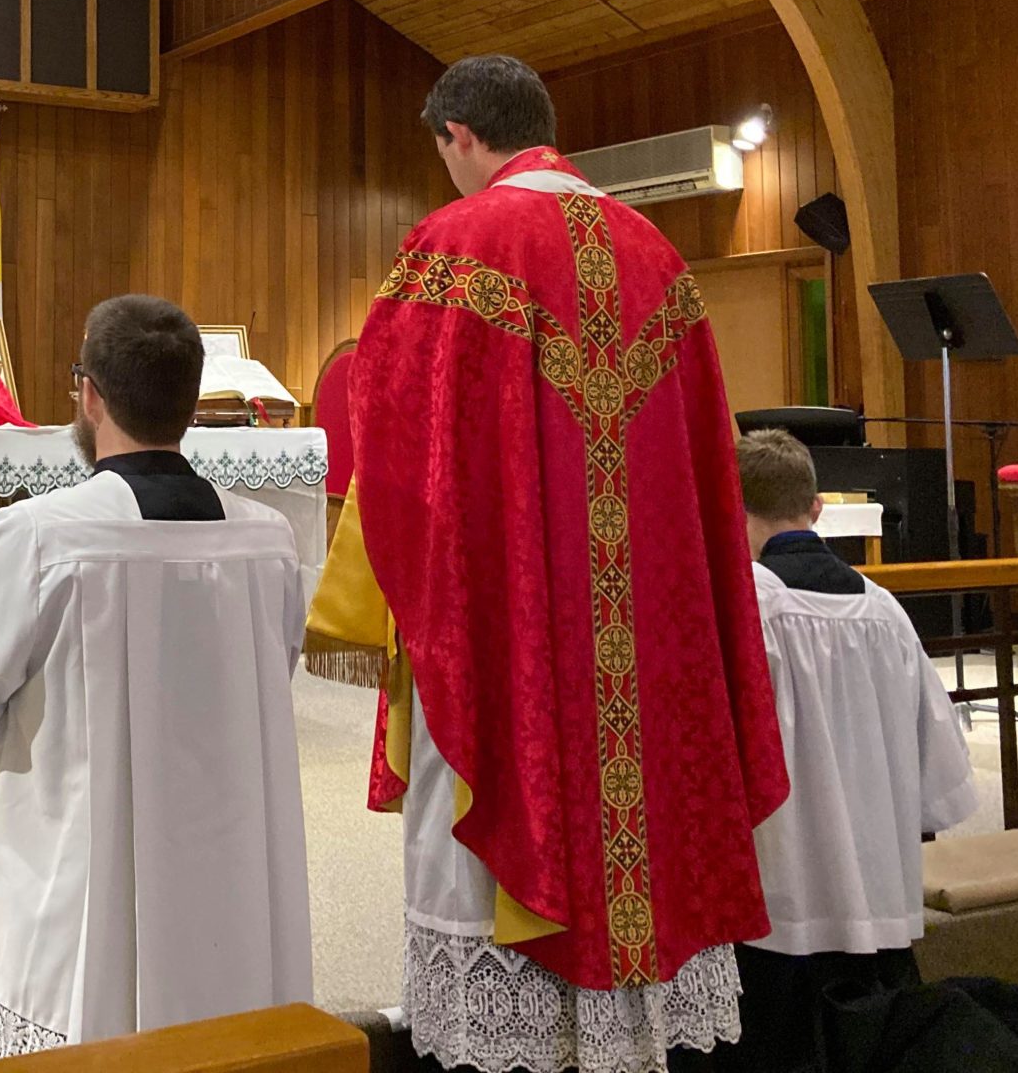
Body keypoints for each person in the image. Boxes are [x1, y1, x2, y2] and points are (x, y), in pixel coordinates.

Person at [306, 54, 789, 1073]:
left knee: (488, 831)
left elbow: (395, 451)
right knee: (634, 824)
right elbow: (705, 467)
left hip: (504, 631)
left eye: (440, 152)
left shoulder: (452, 247)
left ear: (457, 136)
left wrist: (387, 597)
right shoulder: (656, 253)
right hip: (643, 640)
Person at [0, 295, 313, 1065]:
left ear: (90, 393)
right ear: (191, 401)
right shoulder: (269, 539)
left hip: (83, 862)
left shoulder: (44, 536)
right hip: (230, 858)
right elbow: (272, 670)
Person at [722, 428, 977, 1071]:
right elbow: (939, 777)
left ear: (728, 506)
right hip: (879, 905)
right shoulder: (887, 611)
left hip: (779, 911)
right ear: (816, 510)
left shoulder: (744, 608)